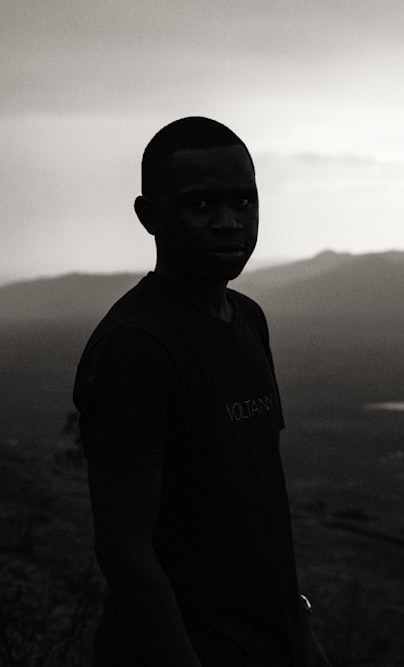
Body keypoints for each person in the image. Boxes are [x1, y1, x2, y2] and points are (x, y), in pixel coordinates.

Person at [73, 117, 331, 666]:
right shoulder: (137, 345)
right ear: (148, 217)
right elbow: (124, 547)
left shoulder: (248, 320)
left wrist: (298, 633)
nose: (228, 222)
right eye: (199, 205)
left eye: (243, 202)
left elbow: (260, 502)